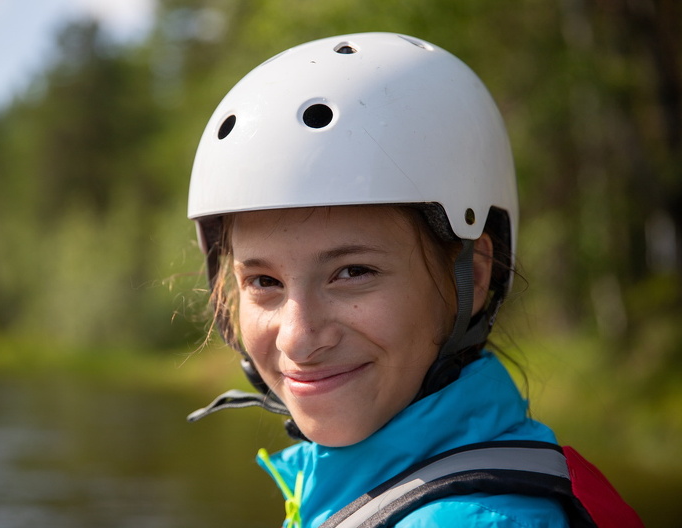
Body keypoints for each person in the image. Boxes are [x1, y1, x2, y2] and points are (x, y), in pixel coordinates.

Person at [186, 32, 569, 527]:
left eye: (353, 272)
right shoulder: (349, 491)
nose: (299, 340)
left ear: (471, 276)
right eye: (263, 281)